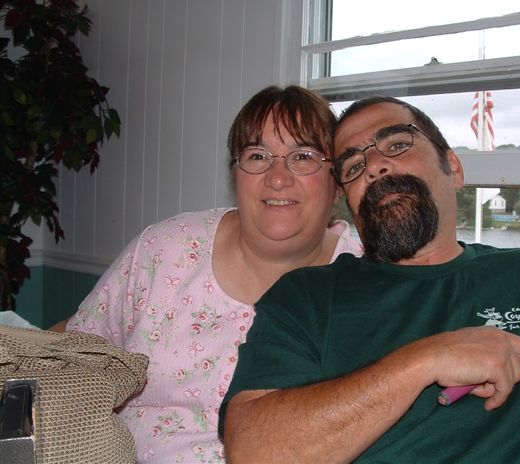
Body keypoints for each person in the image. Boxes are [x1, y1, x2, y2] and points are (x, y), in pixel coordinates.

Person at [220, 96, 520, 463]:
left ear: (452, 167)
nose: (374, 166)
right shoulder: (306, 296)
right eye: (353, 165)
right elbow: (254, 452)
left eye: (397, 145)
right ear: (348, 201)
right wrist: (426, 359)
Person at [64, 86, 362, 462]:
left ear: (338, 184)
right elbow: (77, 353)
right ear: (236, 175)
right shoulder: (164, 249)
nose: (277, 177)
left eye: (303, 156)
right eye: (257, 156)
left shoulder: (367, 281)